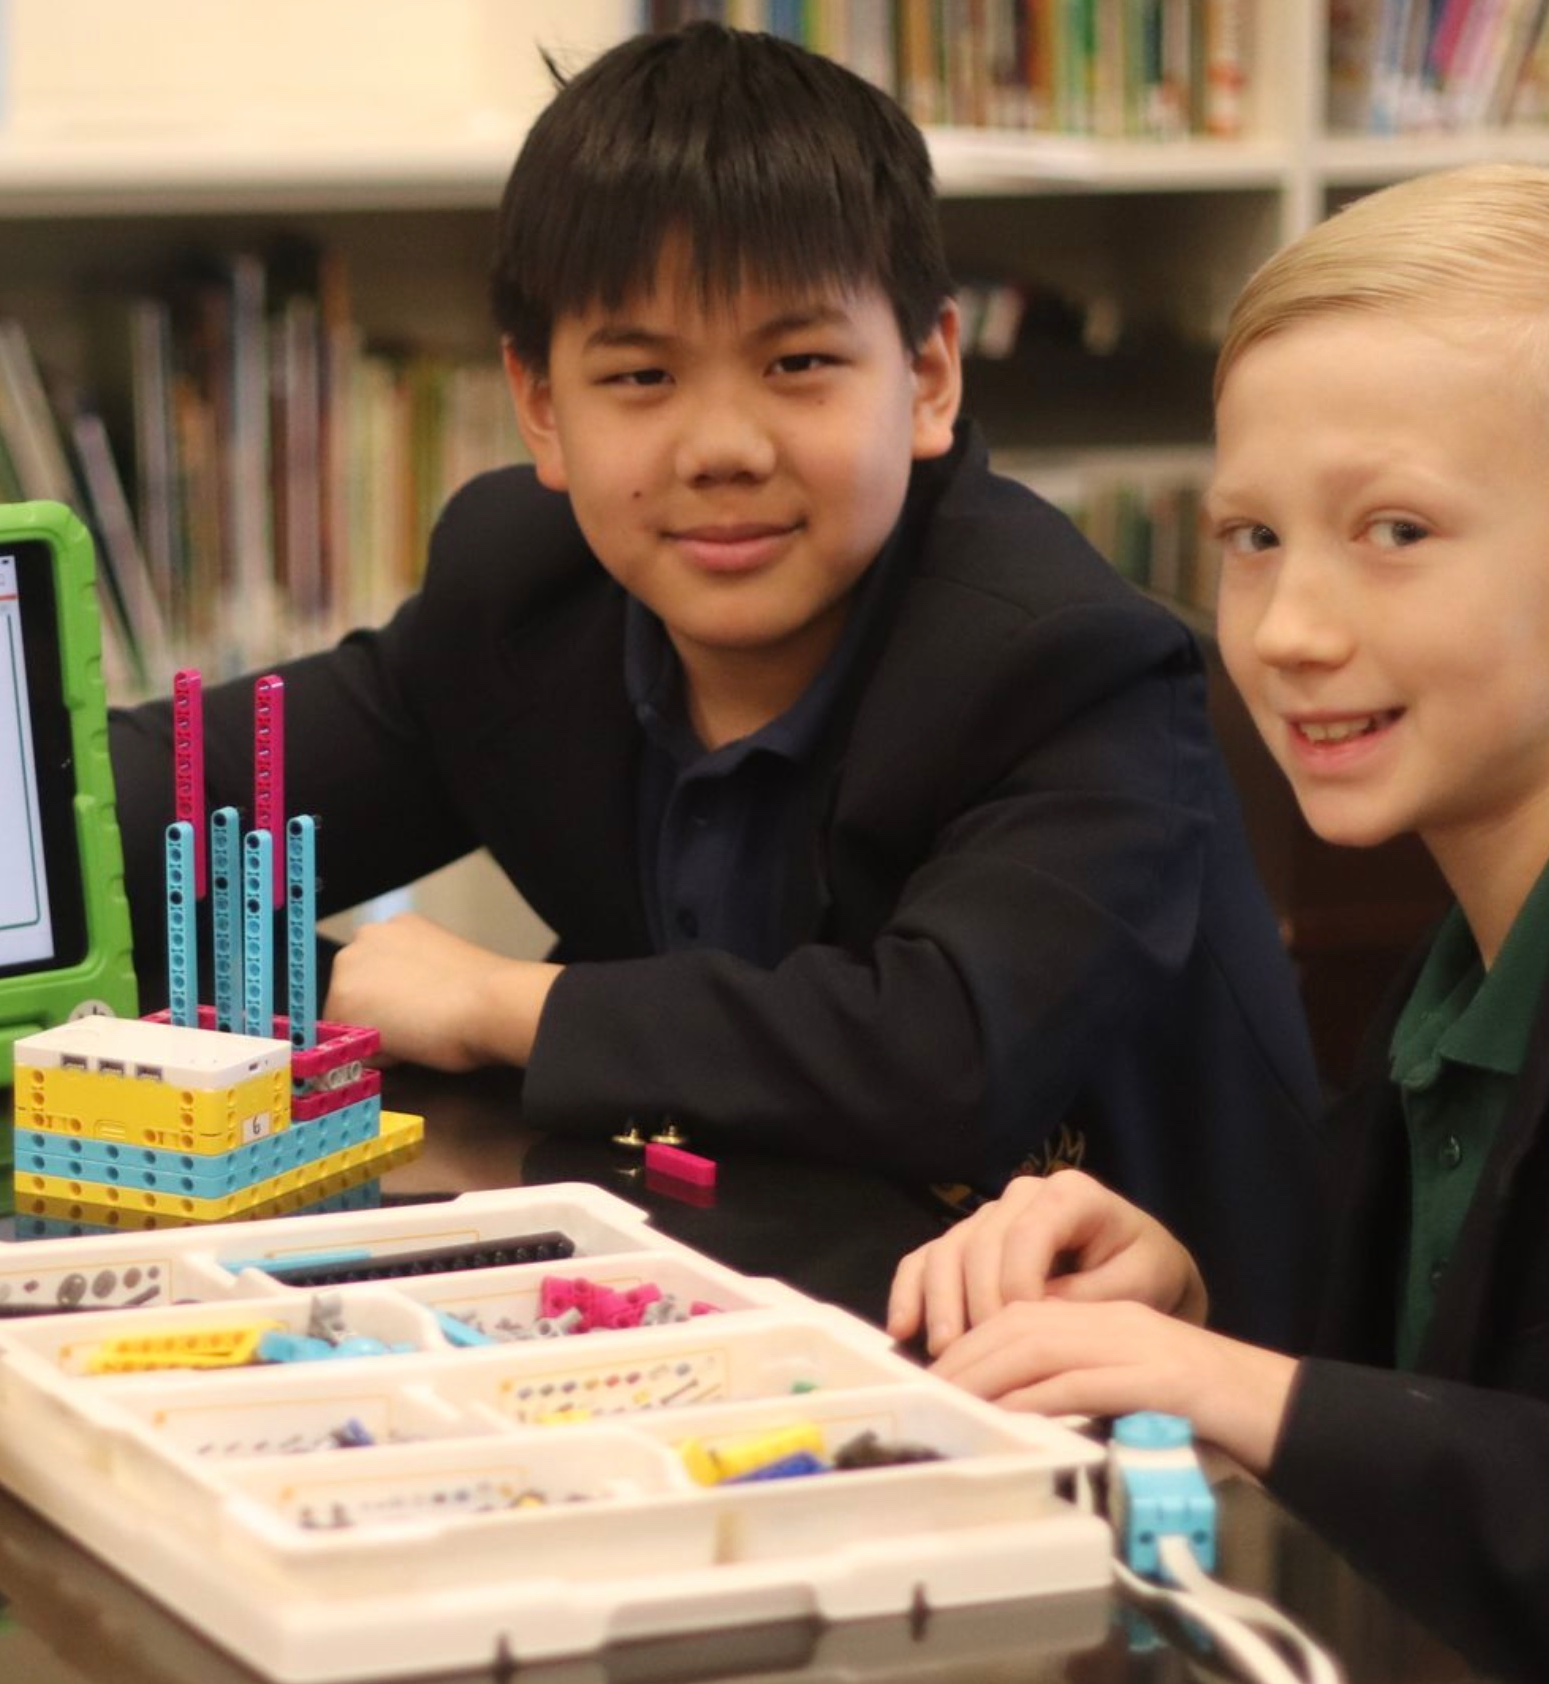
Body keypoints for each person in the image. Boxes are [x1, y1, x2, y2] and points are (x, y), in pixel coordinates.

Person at [110, 22, 1321, 1345]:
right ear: (540, 406)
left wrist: (504, 1003)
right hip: (734, 1306)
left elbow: (949, 1052)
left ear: (926, 376)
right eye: (640, 377)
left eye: (799, 364)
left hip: (1132, 1388)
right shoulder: (523, 593)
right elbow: (174, 808)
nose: (725, 446)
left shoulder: (1063, 657)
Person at [888, 163, 1549, 1683]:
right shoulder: (1462, 960)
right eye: (1252, 539)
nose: (1289, 631)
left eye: (1397, 533)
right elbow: (1473, 1401)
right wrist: (1195, 1307)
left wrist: (1262, 1399)